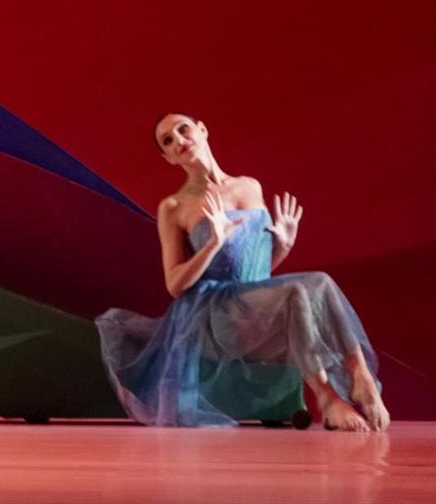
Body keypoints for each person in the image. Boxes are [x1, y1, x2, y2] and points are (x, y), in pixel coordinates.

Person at [96, 113, 390, 430]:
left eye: (183, 129)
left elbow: (255, 273)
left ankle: (359, 375)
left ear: (202, 130)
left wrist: (283, 246)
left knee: (321, 282)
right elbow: (175, 284)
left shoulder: (250, 186)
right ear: (168, 157)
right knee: (297, 292)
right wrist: (213, 244)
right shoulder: (174, 206)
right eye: (168, 140)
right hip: (216, 315)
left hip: (254, 302)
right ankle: (328, 398)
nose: (179, 139)